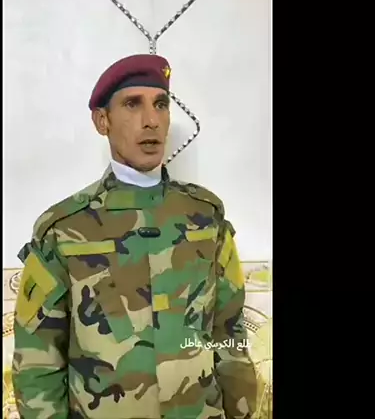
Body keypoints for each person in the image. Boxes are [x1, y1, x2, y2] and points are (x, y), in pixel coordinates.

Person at [11, 54, 258, 419]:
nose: (151, 120)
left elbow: (229, 332)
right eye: (132, 104)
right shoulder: (63, 230)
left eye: (160, 104)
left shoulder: (206, 218)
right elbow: (37, 361)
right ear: (102, 121)